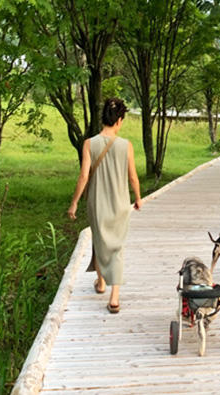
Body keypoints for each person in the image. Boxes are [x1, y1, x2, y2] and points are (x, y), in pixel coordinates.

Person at [67, 98, 142, 314]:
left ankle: (101, 282)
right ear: (119, 120)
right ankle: (114, 297)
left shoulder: (89, 143)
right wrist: (138, 198)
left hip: (96, 204)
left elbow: (83, 177)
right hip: (120, 204)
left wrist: (73, 204)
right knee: (116, 247)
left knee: (99, 239)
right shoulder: (126, 145)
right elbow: (133, 177)